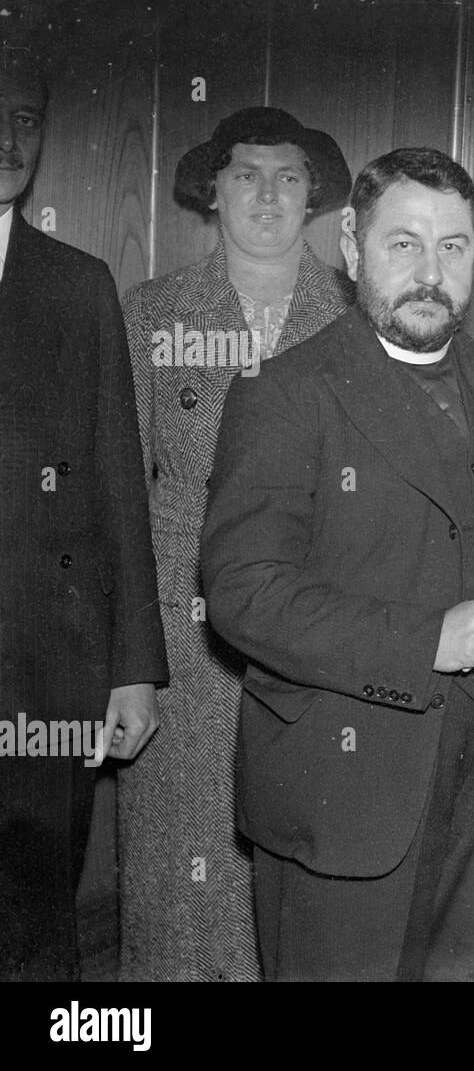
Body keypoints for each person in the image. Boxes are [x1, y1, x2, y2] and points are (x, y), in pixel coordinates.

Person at [200, 147, 474, 981]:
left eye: (453, 246)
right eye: (403, 243)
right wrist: (428, 641)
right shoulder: (285, 391)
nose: (430, 271)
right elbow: (242, 592)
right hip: (353, 792)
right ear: (349, 243)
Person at [117, 106, 354, 981]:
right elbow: (118, 502)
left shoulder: (357, 318)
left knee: (299, 870)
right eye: (245, 174)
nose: (266, 193)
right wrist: (130, 658)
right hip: (184, 643)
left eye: (287, 176)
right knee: (182, 878)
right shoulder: (152, 316)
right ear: (211, 191)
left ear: (313, 195)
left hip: (316, 636)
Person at [0, 53, 168, 981]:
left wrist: (133, 669)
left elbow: (116, 487)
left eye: (25, 118)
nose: (8, 139)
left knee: (34, 932)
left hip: (45, 683)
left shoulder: (78, 285)